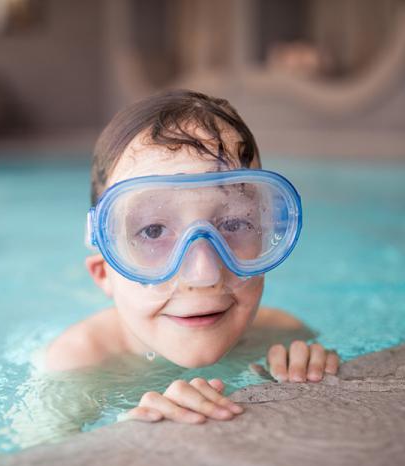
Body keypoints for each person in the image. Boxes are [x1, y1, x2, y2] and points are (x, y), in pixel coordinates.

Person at [34, 89, 339, 426]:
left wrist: (306, 364)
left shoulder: (282, 335)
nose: (204, 273)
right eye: (152, 231)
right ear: (103, 274)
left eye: (235, 223)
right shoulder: (78, 363)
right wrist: (126, 431)